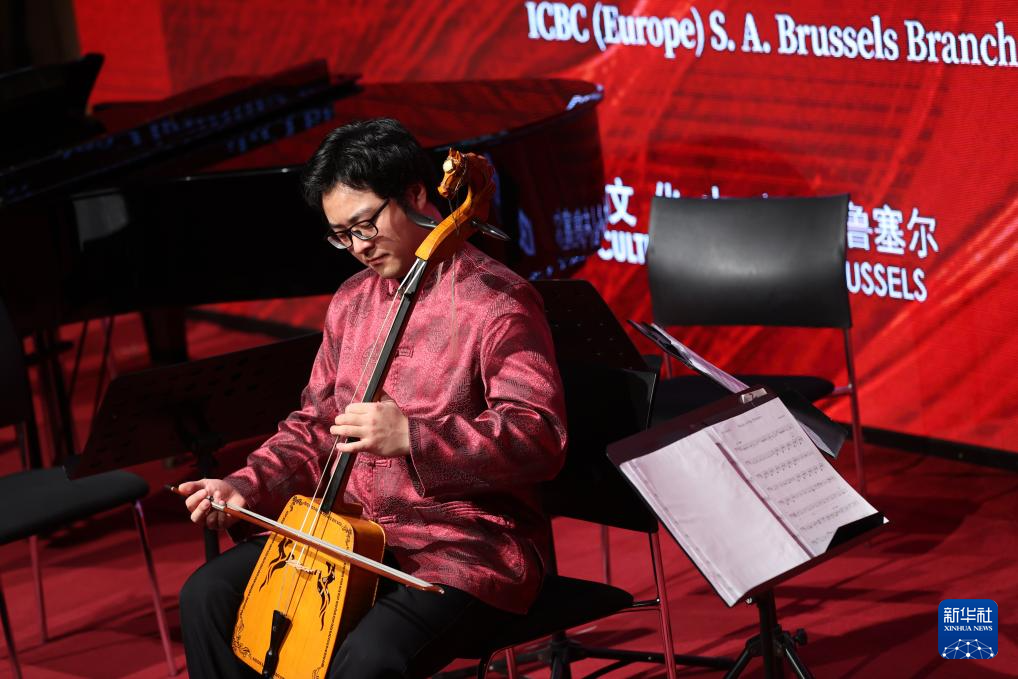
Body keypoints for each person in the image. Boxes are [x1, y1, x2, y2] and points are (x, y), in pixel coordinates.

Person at [177, 117, 567, 679]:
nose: (359, 247)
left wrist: (414, 437)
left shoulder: (496, 301)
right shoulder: (352, 301)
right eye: (342, 234)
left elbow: (540, 437)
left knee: (368, 658)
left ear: (415, 194)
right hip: (352, 533)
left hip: (463, 545)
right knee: (208, 596)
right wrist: (245, 484)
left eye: (366, 224)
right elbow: (316, 425)